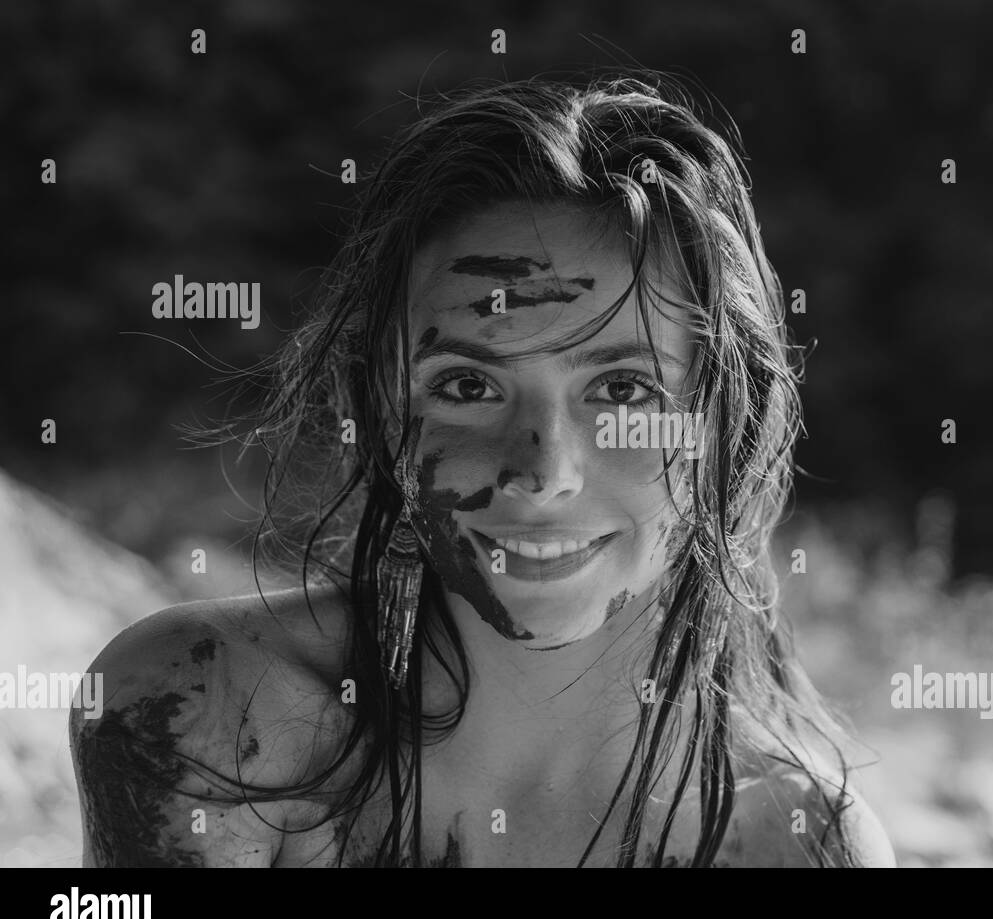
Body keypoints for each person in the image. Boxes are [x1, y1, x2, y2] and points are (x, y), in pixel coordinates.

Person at [69, 71, 895, 867]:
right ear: (386, 412)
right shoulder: (203, 709)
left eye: (622, 388)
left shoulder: (791, 843)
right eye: (469, 385)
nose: (543, 471)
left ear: (724, 420)